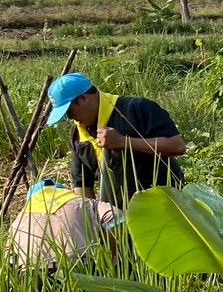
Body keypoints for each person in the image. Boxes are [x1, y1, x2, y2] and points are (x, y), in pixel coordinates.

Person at [46, 73, 186, 206]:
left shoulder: (136, 108)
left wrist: (123, 142)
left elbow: (177, 146)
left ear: (84, 99)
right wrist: (94, 220)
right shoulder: (78, 133)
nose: (70, 118)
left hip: (164, 205)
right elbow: (82, 185)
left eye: (69, 112)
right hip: (119, 217)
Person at [7, 180, 121, 273]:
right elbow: (117, 216)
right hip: (79, 268)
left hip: (32, 273)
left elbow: (10, 258)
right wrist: (111, 258)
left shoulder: (20, 218)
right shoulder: (85, 202)